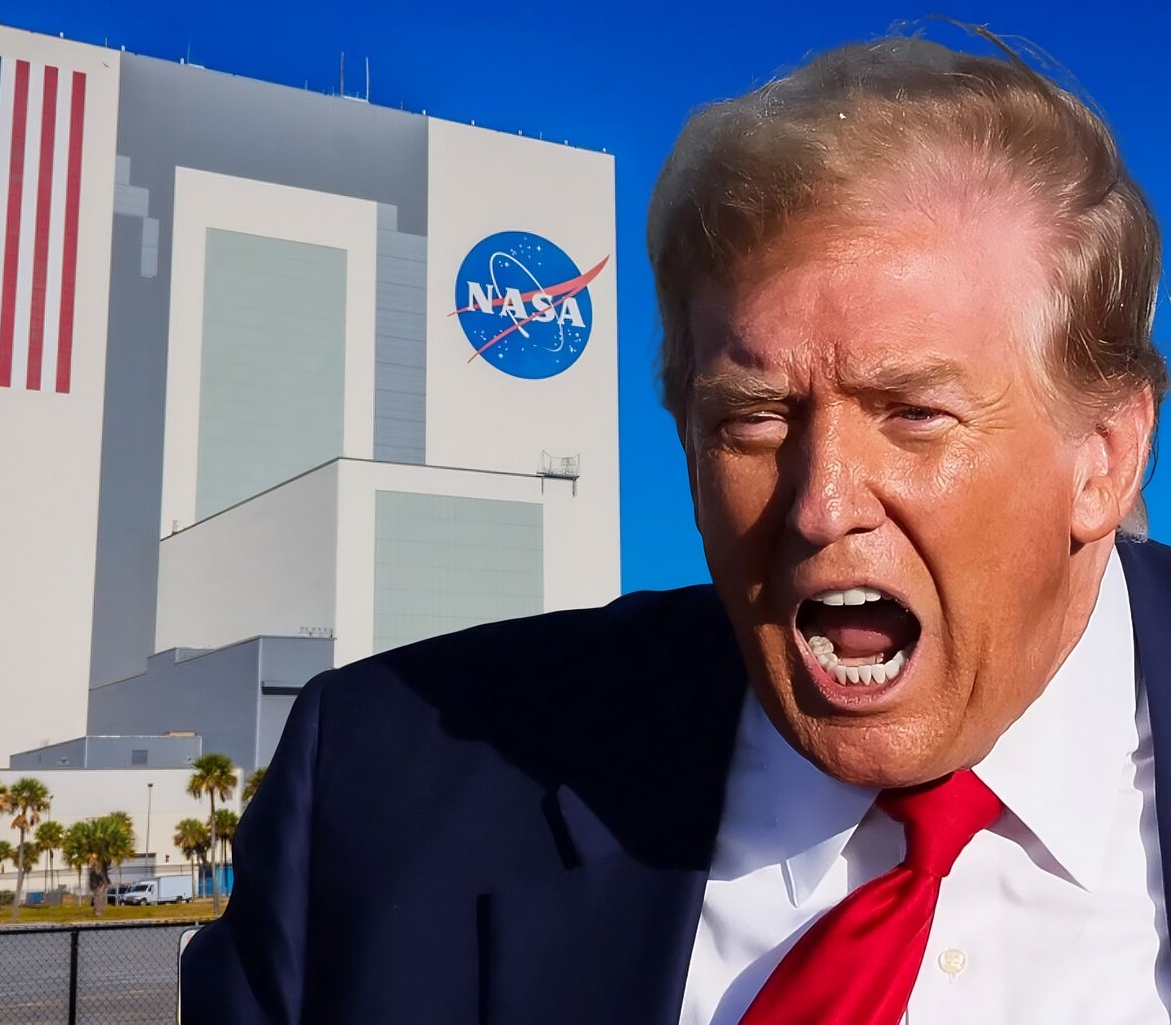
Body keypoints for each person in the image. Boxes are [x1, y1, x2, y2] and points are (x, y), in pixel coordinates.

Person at [181, 32, 1171, 1024]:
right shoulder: (380, 786)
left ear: (1105, 456)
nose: (821, 503)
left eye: (913, 412)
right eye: (752, 419)